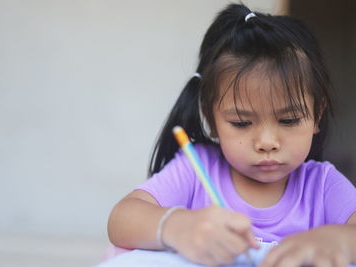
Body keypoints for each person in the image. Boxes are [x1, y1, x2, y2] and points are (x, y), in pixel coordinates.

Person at [107, 3, 356, 266]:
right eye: (241, 123)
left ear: (316, 115)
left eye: (289, 119)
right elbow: (121, 219)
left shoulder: (323, 186)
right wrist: (178, 227)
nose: (267, 143)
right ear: (212, 120)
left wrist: (339, 239)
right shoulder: (197, 170)